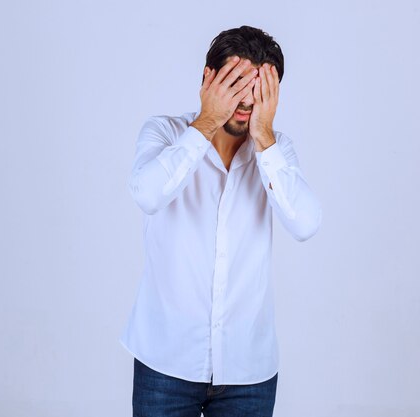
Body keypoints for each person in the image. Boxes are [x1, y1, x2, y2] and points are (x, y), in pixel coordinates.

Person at [119, 25, 322, 417]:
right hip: (165, 363)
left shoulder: (276, 153)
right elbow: (147, 194)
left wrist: (264, 136)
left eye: (258, 90)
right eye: (235, 84)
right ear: (208, 79)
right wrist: (206, 124)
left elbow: (306, 224)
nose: (246, 101)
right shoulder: (164, 133)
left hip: (249, 371)